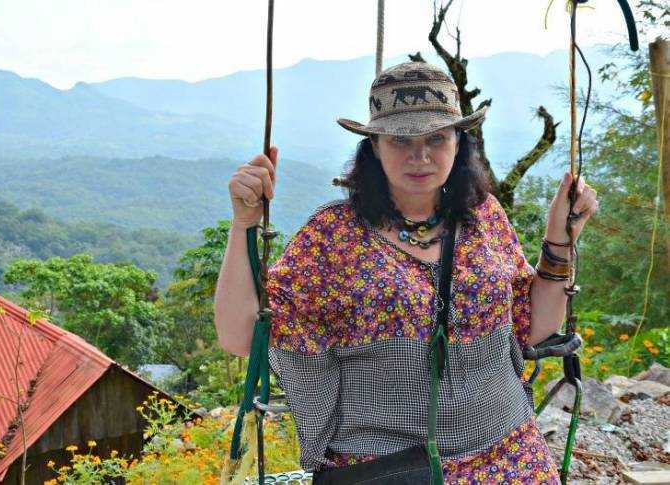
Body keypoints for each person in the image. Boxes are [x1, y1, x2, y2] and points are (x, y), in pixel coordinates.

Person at [215, 61, 598, 484]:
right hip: (387, 469)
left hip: (510, 455)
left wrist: (559, 239)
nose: (420, 156)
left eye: (436, 138)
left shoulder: (482, 216)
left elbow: (536, 328)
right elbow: (239, 336)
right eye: (400, 140)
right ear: (375, 147)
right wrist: (243, 223)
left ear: (458, 143)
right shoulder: (333, 235)